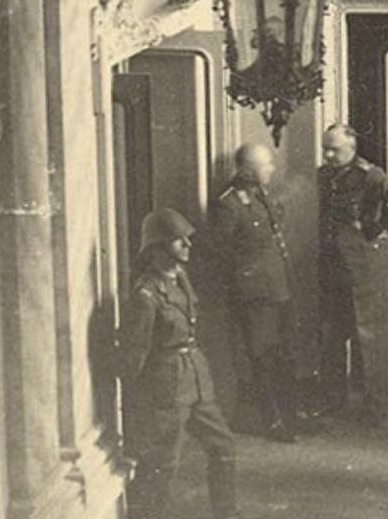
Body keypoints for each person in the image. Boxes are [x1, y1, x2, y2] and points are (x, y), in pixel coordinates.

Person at [119, 207, 243, 519]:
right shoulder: (146, 295)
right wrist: (134, 403)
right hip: (167, 386)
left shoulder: (180, 279)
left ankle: (226, 514)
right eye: (178, 240)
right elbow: (135, 353)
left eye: (187, 239)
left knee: (224, 446)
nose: (187, 245)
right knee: (164, 463)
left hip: (195, 379)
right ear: (158, 247)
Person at [315, 123, 388, 426]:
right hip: (337, 266)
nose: (328, 155)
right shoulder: (324, 176)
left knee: (372, 337)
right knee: (332, 333)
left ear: (352, 148)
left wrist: (376, 227)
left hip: (370, 267)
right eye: (325, 149)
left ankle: (376, 408)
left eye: (334, 149)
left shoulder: (370, 175)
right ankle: (334, 400)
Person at [209, 143, 303, 443]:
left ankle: (289, 414)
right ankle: (271, 419)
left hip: (278, 286)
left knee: (284, 352)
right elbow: (221, 251)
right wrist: (247, 278)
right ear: (248, 170)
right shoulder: (229, 204)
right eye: (266, 165)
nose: (271, 169)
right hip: (255, 293)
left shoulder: (262, 194)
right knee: (261, 357)